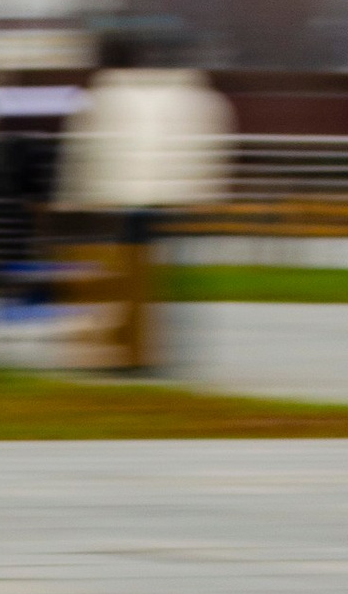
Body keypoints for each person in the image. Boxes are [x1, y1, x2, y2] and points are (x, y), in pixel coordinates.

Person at [59, 24, 236, 374]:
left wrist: (71, 198)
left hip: (118, 199)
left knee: (122, 279)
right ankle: (158, 349)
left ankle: (126, 349)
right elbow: (214, 152)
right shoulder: (200, 96)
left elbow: (80, 155)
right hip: (178, 201)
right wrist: (207, 195)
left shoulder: (102, 96)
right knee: (169, 279)